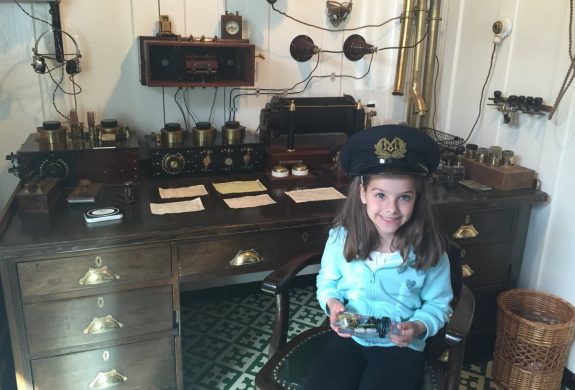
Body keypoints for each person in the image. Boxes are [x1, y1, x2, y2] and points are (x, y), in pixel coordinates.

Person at [303, 124, 453, 390]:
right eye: (380, 195)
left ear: (417, 198)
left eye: (404, 197)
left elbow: (438, 306)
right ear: (363, 193)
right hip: (350, 336)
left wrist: (417, 327)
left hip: (401, 346)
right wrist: (333, 304)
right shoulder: (340, 238)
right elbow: (327, 281)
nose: (391, 209)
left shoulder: (431, 249)